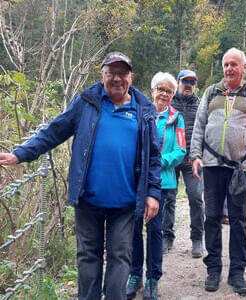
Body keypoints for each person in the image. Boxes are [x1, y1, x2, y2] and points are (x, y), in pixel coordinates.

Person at [0, 51, 161, 300]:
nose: (116, 79)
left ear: (131, 77)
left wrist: (152, 193)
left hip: (127, 203)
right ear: (102, 76)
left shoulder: (144, 110)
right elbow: (54, 131)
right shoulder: (86, 102)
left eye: (122, 73)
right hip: (88, 198)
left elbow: (153, 156)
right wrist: (21, 154)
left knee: (120, 257)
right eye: (111, 73)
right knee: (88, 257)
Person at [190, 47, 246, 296]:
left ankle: (237, 273)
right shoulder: (211, 92)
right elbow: (199, 126)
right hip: (211, 165)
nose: (229, 69)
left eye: (234, 64)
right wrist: (195, 156)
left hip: (239, 168)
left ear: (244, 68)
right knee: (211, 217)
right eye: (226, 64)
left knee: (238, 220)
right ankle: (213, 269)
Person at [127, 72, 186, 300]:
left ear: (173, 95)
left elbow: (180, 151)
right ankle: (134, 275)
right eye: (160, 89)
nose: (164, 94)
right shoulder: (140, 113)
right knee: (133, 229)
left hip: (163, 182)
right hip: (136, 181)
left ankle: (153, 278)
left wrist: (155, 162)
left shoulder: (176, 118)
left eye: (169, 91)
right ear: (152, 91)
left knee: (154, 231)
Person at [163, 69, 205, 258]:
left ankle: (197, 238)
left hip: (192, 158)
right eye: (185, 81)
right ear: (178, 82)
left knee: (196, 197)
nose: (188, 84)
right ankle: (167, 236)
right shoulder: (168, 102)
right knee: (168, 199)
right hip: (171, 159)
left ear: (196, 85)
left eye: (192, 81)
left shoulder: (201, 105)